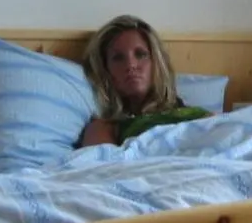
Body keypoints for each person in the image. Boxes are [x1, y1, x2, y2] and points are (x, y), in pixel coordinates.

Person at [79, 15, 210, 147]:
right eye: (118, 58)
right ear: (105, 69)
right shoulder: (105, 128)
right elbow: (101, 165)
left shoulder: (199, 118)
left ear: (157, 62)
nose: (131, 65)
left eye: (141, 54)